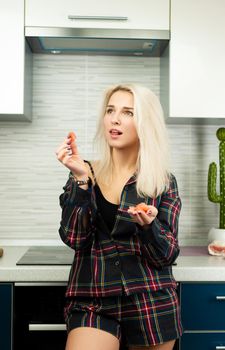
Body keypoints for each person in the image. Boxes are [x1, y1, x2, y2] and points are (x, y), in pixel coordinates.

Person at [56, 83, 183, 350]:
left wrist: (149, 227)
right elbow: (74, 238)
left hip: (151, 297)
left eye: (128, 112)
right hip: (93, 297)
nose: (115, 118)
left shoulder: (163, 181)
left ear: (145, 124)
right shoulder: (84, 171)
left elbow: (166, 254)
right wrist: (81, 182)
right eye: (111, 110)